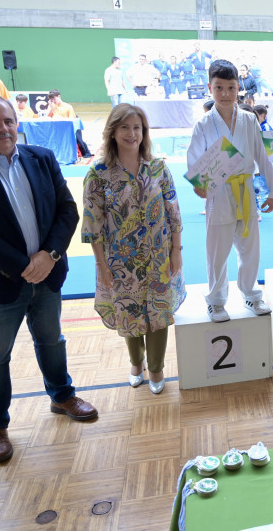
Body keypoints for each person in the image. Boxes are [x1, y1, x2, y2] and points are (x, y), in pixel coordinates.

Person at [0, 94, 97, 463]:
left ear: (18, 123)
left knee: (52, 341)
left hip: (47, 275)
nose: (3, 128)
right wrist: (24, 266)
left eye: (8, 120)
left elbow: (67, 211)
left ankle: (62, 396)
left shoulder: (41, 158)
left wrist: (49, 255)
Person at [82, 104, 185, 394]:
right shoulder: (99, 174)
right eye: (125, 127)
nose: (132, 133)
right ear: (113, 132)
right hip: (120, 261)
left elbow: (173, 211)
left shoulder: (158, 167)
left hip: (158, 255)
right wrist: (101, 265)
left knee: (159, 312)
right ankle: (135, 362)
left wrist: (176, 249)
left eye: (137, 127)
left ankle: (156, 368)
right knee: (128, 312)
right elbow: (93, 224)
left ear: (145, 132)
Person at [187, 60, 273, 322]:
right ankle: (216, 301)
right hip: (218, 193)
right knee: (217, 251)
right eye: (219, 87)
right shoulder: (204, 123)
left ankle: (251, 294)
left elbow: (262, 155)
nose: (225, 93)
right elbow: (194, 159)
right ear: (209, 88)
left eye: (230, 87)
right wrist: (199, 185)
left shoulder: (249, 119)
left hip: (246, 190)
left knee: (250, 248)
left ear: (238, 87)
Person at [47, 89, 92, 158]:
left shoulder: (67, 107)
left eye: (54, 99)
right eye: (51, 100)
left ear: (59, 96)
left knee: (78, 139)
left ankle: (86, 152)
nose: (53, 101)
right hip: (58, 128)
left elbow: (72, 119)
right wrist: (51, 108)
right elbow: (48, 116)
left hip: (68, 127)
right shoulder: (52, 107)